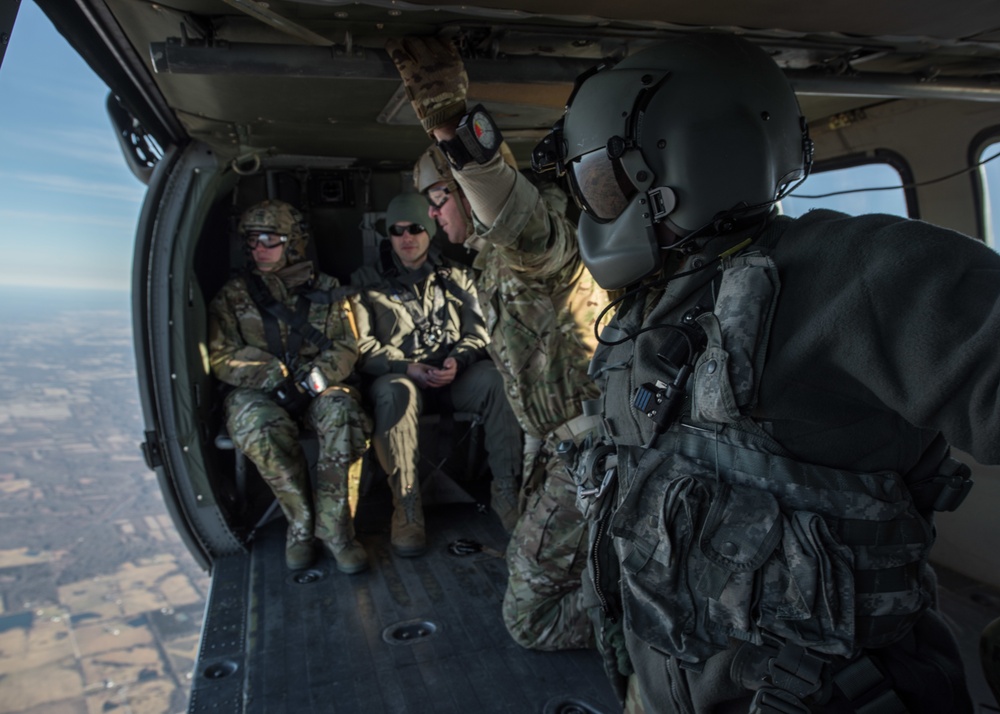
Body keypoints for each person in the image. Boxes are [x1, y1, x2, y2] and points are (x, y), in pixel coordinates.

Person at [533, 32, 988, 713]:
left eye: (599, 179)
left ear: (678, 159)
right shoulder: (658, 306)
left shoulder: (860, 274)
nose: (591, 206)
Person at [386, 36, 611, 652]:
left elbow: (512, 211)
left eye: (436, 200)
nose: (432, 217)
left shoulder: (534, 244)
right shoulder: (487, 265)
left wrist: (447, 120)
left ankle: (655, 617)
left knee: (529, 621)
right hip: (561, 451)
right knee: (530, 565)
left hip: (599, 454)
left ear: (462, 190)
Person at [350, 192, 523, 557]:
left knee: (494, 378)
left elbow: (479, 332)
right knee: (396, 390)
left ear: (430, 231)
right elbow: (361, 348)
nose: (406, 237)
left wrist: (458, 361)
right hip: (399, 381)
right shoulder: (366, 281)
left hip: (450, 378)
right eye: (396, 231)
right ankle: (407, 507)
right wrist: (404, 368)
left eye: (415, 228)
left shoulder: (457, 276)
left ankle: (506, 491)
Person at [208, 199, 371, 574]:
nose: (259, 249)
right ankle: (300, 525)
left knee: (344, 414)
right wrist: (272, 376)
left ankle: (336, 530)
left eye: (270, 239)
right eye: (252, 241)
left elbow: (347, 346)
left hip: (317, 387)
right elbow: (220, 355)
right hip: (260, 391)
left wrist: (314, 381)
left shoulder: (328, 290)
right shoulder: (233, 296)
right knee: (257, 425)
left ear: (293, 242)